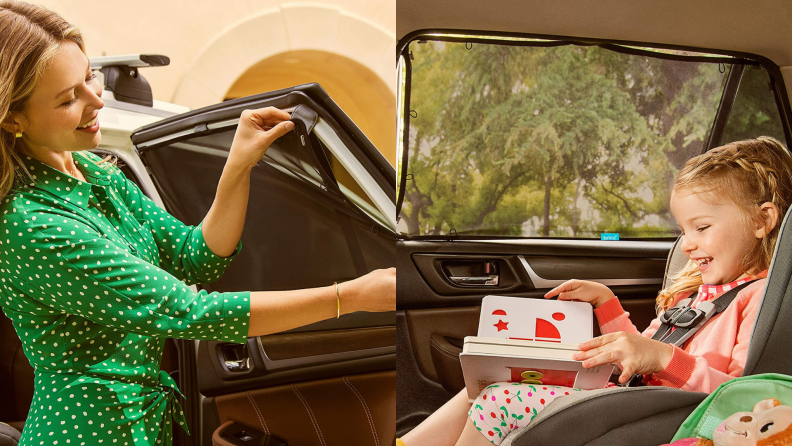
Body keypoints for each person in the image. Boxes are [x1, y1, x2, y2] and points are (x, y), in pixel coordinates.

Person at [0, 1, 395, 445]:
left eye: (88, 76)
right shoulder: (33, 224)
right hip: (86, 431)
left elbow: (196, 257)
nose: (96, 100)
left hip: (144, 426)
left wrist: (239, 164)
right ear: (13, 118)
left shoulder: (99, 175)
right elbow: (189, 311)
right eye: (68, 98)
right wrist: (352, 295)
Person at [398, 136, 792, 446]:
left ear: (763, 220)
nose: (687, 244)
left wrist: (663, 358)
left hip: (661, 412)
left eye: (701, 228)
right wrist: (607, 305)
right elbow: (642, 350)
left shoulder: (756, 298)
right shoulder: (696, 294)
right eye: (683, 230)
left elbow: (738, 397)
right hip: (631, 395)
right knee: (485, 383)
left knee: (499, 400)